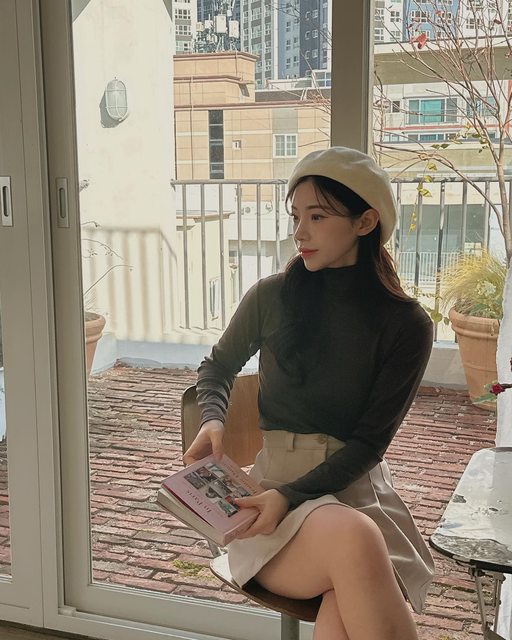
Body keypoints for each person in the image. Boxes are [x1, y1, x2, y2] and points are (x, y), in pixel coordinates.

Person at [183, 147, 435, 640]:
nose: (300, 232)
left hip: (358, 493)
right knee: (355, 545)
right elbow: (217, 367)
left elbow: (369, 445)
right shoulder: (272, 295)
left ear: (366, 222)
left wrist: (291, 497)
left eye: (317, 217)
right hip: (272, 495)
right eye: (296, 216)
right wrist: (213, 418)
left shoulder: (406, 324)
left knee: (345, 598)